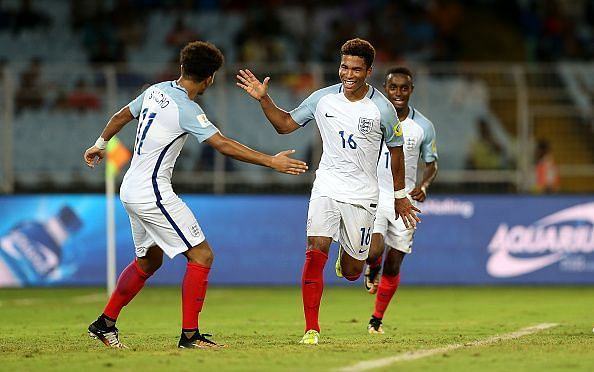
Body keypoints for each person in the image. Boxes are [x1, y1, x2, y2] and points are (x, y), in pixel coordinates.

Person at [83, 41, 308, 349]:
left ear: (182, 67)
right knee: (202, 255)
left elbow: (121, 115)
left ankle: (104, 324)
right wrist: (271, 161)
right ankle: (190, 336)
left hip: (130, 189)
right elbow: (223, 145)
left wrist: (99, 143)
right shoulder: (187, 109)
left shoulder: (156, 91)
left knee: (149, 262)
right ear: (210, 78)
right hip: (152, 193)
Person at [236, 38, 420, 345]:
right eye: (344, 66)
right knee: (315, 248)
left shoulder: (382, 109)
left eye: (356, 69)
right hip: (327, 186)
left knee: (350, 271)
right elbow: (284, 125)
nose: (348, 74)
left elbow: (397, 152)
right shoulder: (322, 99)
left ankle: (349, 260)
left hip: (363, 196)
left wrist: (400, 196)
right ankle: (312, 329)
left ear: (369, 71)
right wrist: (263, 100)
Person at [363, 67, 438, 334]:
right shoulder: (371, 118)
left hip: (404, 200)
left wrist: (424, 184)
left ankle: (376, 319)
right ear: (385, 88)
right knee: (374, 250)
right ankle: (372, 267)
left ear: (411, 90)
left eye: (403, 88)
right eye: (393, 87)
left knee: (393, 263)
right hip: (375, 194)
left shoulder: (423, 127)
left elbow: (431, 163)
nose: (398, 93)